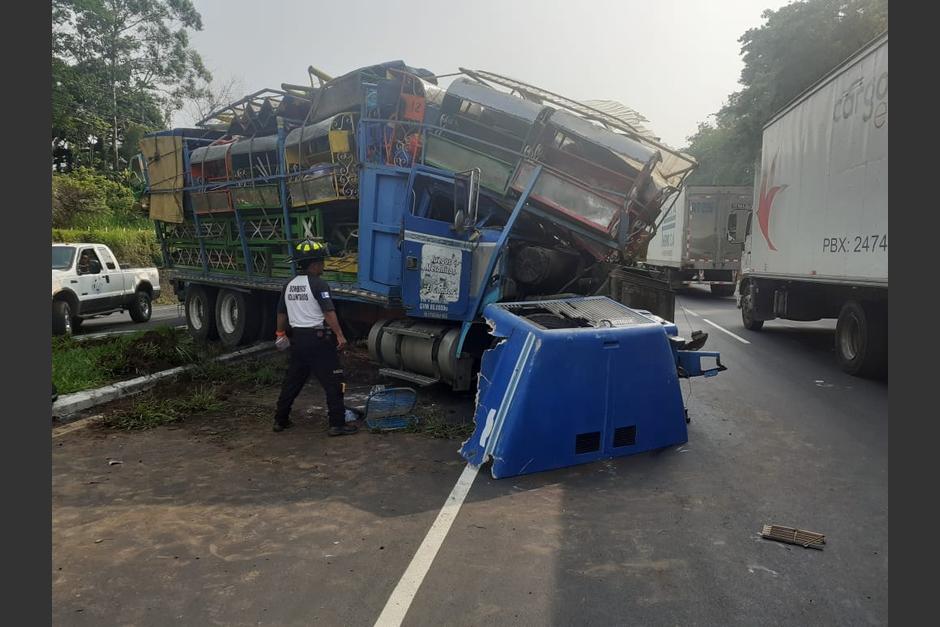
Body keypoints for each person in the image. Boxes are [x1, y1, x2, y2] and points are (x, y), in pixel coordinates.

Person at [272, 239, 357, 436]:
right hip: (319, 340)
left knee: (292, 381)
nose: (323, 265)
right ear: (314, 264)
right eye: (321, 262)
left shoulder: (289, 285)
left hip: (298, 341)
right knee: (334, 382)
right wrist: (340, 335)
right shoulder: (319, 284)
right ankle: (337, 424)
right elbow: (328, 312)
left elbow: (281, 313)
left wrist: (280, 334)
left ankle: (280, 420)